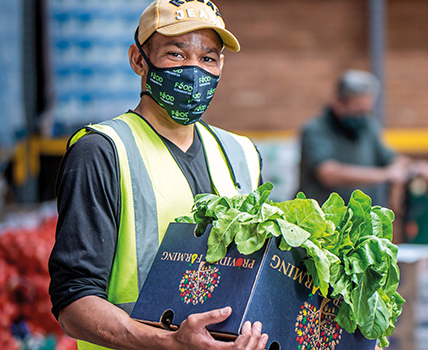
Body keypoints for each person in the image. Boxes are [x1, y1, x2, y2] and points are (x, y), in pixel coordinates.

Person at [48, 1, 268, 349]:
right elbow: (73, 301)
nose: (194, 71)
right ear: (139, 60)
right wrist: (169, 342)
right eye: (176, 55)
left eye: (208, 58)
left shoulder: (242, 154)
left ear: (221, 65)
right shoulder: (103, 152)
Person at [299, 69, 428, 212]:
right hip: (321, 224)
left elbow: (390, 159)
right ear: (338, 104)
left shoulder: (368, 127)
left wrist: (413, 167)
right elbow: (327, 173)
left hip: (361, 223)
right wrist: (384, 175)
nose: (362, 116)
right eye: (357, 109)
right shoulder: (315, 130)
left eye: (366, 110)